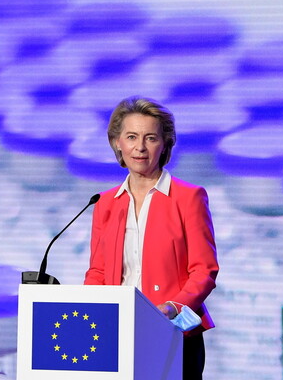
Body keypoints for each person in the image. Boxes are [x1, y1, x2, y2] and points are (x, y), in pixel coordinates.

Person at [84, 96, 219, 380]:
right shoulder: (105, 203)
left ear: (165, 144)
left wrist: (172, 308)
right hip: (119, 332)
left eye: (151, 138)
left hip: (174, 331)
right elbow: (97, 271)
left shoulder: (189, 197)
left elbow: (204, 271)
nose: (140, 147)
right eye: (131, 137)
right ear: (117, 143)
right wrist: (93, 310)